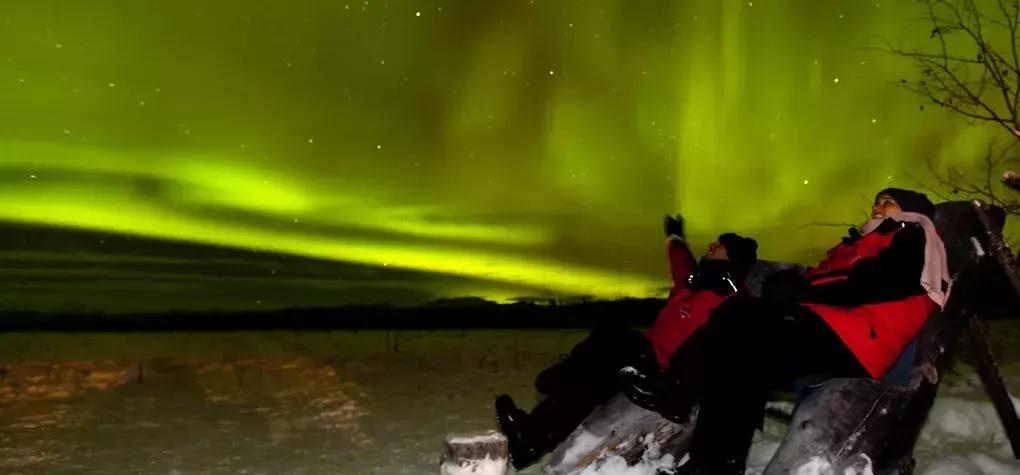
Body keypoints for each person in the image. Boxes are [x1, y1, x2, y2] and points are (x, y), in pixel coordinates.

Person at [662, 188, 950, 475]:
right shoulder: (864, 241)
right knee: (739, 351)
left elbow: (878, 284)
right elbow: (830, 281)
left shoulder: (914, 236)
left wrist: (802, 290)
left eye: (888, 203)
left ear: (911, 210)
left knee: (740, 321)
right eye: (877, 202)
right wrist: (796, 288)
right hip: (836, 328)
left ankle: (683, 403)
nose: (878, 207)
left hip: (861, 339)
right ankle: (712, 464)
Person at [493, 215, 758, 470]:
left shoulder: (732, 301)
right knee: (607, 337)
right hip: (647, 349)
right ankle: (537, 423)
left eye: (717, 246)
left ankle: (530, 437)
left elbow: (723, 355)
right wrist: (674, 236)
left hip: (665, 372)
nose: (710, 248)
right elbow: (681, 263)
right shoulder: (698, 282)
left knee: (606, 355)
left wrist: (681, 387)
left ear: (732, 257)